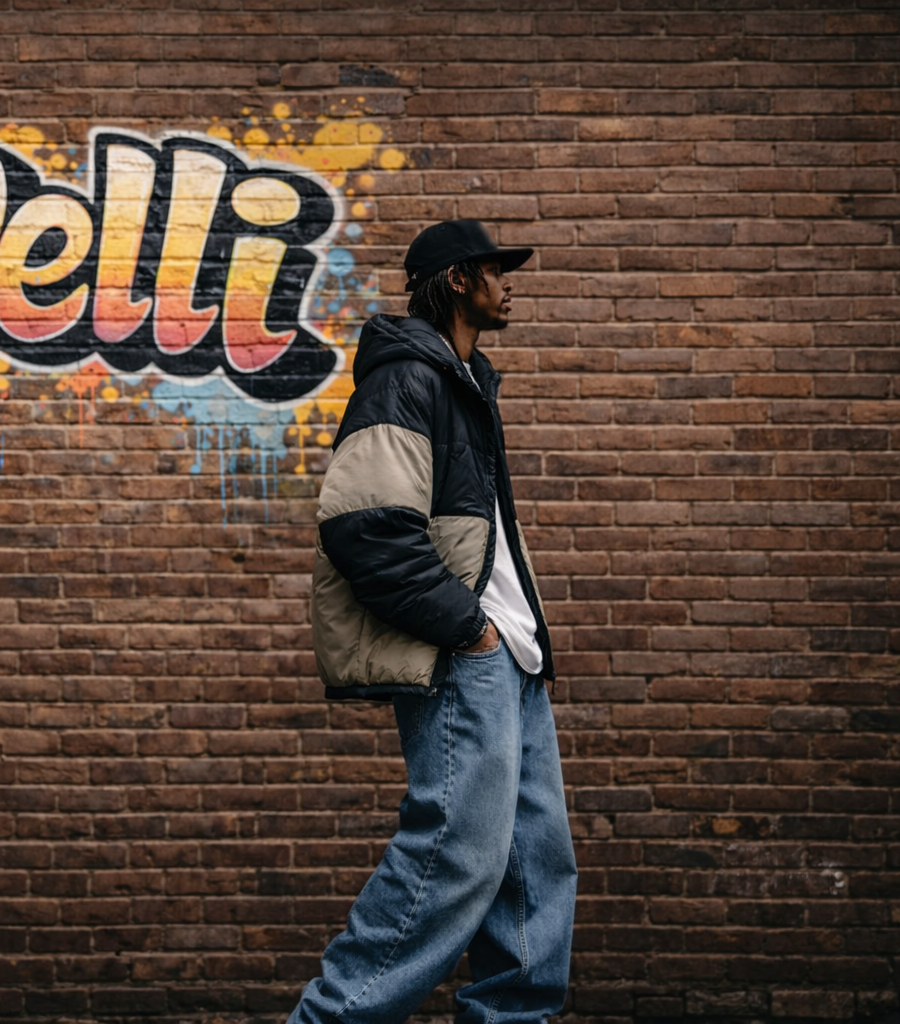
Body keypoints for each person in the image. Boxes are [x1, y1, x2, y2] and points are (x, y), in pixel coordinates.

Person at [294, 220, 578, 1024]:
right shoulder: (406, 379)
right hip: (468, 654)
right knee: (455, 858)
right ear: (458, 279)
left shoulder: (464, 380)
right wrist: (470, 629)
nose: (508, 283)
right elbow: (365, 527)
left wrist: (511, 639)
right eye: (495, 269)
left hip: (512, 657)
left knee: (534, 868)